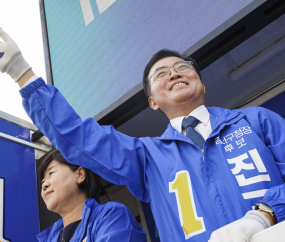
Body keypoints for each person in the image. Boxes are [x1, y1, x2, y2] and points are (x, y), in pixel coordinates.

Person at [1, 28, 284, 242]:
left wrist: (265, 215)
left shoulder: (257, 121)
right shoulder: (148, 158)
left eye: (183, 67)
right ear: (152, 102)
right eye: (161, 74)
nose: (174, 73)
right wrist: (21, 72)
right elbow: (78, 136)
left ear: (201, 83)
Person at [36, 149, 146, 242]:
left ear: (80, 174)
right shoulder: (48, 239)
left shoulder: (111, 215)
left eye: (51, 173)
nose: (44, 185)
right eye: (43, 181)